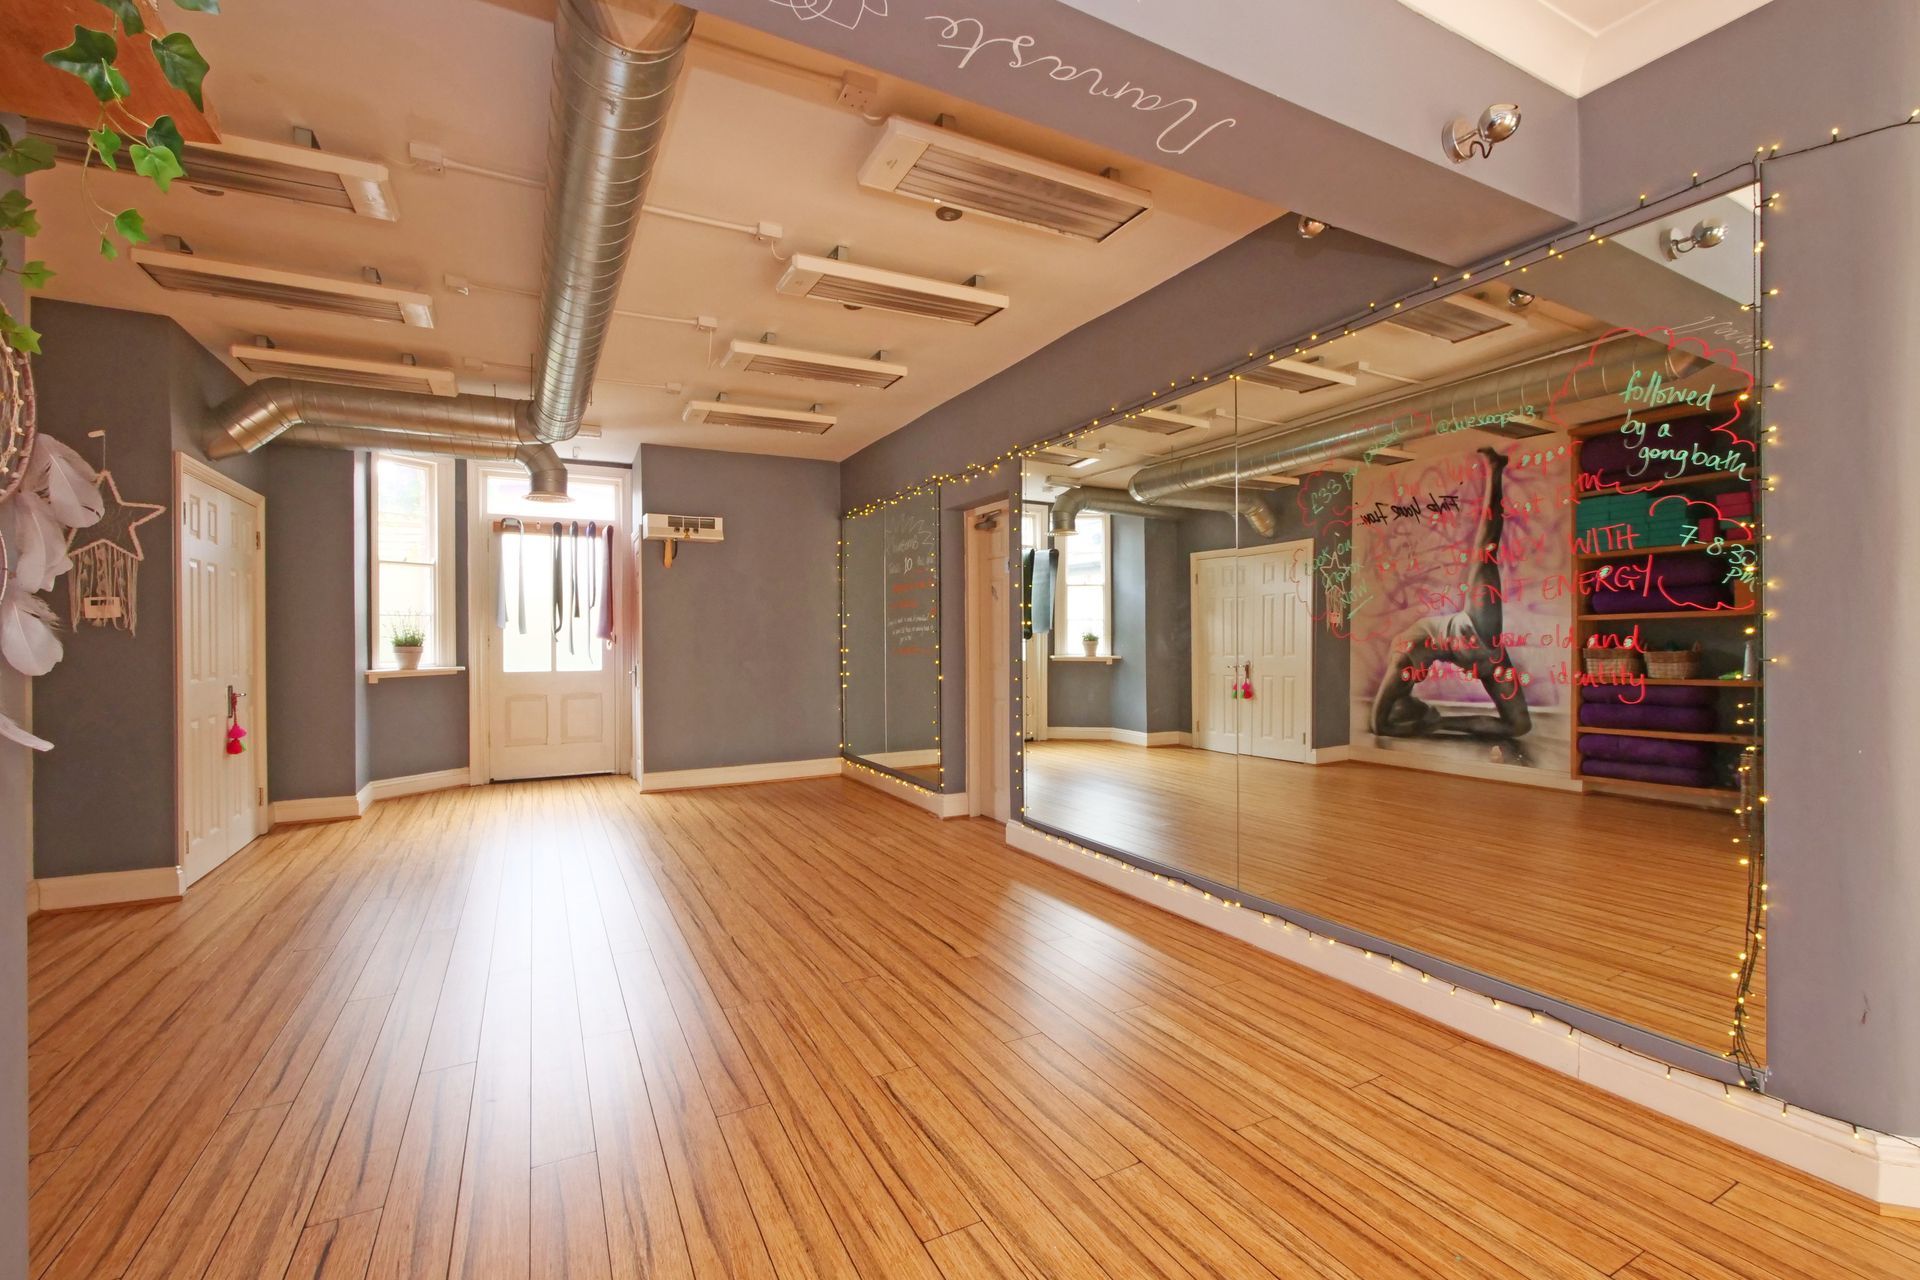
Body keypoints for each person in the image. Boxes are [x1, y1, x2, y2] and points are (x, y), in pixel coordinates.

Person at [1369, 447, 1533, 759]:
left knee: (1484, 553)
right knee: (1519, 726)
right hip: (1481, 648)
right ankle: (1495, 470)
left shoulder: (1404, 656)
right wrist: (1432, 723)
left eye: (1413, 697)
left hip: (1473, 631)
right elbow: (1381, 721)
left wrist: (1409, 727)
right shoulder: (1410, 661)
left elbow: (1378, 723)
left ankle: (1495, 471)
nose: (1419, 685)